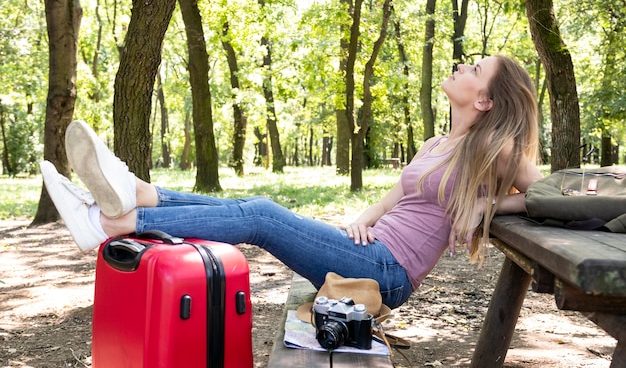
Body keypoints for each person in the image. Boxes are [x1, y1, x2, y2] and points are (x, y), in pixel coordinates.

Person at [41, 55, 543, 310]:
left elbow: (545, 191)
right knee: (254, 208)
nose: (462, 65)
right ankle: (137, 194)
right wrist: (361, 219)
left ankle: (115, 220)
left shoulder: (494, 150)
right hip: (368, 249)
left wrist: (497, 208)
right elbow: (397, 196)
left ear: (485, 101)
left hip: (386, 275)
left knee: (261, 214)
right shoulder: (437, 144)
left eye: (475, 68)